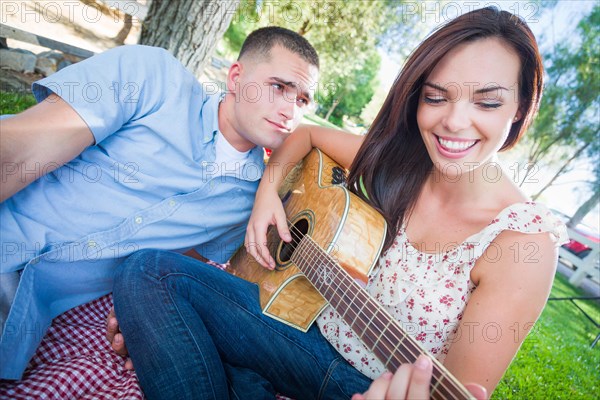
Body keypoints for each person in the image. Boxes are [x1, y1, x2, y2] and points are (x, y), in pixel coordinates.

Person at [113, 6, 567, 400]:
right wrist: (267, 193)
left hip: (357, 383)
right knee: (147, 270)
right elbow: (305, 134)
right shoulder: (405, 163)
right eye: (435, 97)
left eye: (487, 103)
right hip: (301, 322)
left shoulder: (522, 243)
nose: (453, 121)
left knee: (157, 300)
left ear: (521, 108)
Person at [0, 26, 319, 380]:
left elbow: (177, 264)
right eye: (279, 87)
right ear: (236, 77)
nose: (290, 110)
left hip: (23, 314)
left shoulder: (248, 202)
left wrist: (144, 313)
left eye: (302, 100)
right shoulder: (153, 77)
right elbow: (21, 147)